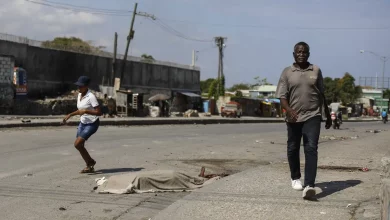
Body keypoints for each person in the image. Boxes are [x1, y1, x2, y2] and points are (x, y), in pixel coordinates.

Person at [276, 42, 331, 200]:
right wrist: (289, 110)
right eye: (298, 52)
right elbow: (282, 96)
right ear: (294, 54)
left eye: (304, 52)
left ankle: (309, 185)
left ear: (308, 54)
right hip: (293, 116)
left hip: (313, 114)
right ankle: (295, 177)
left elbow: (322, 94)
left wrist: (326, 114)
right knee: (293, 147)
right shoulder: (287, 72)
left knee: (311, 147)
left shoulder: (316, 70)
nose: (301, 54)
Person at [63, 76, 102, 173]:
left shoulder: (91, 96)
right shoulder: (79, 95)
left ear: (86, 86)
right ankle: (90, 165)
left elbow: (99, 112)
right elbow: (80, 110)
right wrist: (70, 115)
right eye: (78, 86)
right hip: (83, 122)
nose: (79, 88)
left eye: (81, 86)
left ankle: (90, 162)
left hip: (92, 124)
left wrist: (86, 111)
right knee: (79, 145)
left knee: (77, 144)